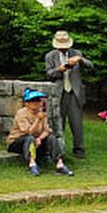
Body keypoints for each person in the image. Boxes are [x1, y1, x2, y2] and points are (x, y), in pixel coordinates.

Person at [7, 87, 71, 177]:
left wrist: (39, 138)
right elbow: (27, 132)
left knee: (51, 138)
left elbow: (47, 130)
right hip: (18, 142)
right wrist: (38, 119)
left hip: (36, 141)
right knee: (30, 138)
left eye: (38, 100)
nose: (36, 103)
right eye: (33, 100)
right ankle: (32, 164)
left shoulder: (41, 113)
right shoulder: (21, 113)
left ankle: (59, 164)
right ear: (27, 103)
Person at [43, 30, 86, 158]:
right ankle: (58, 150)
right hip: (59, 92)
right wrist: (61, 69)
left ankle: (79, 149)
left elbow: (90, 66)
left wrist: (81, 60)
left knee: (76, 123)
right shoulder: (50, 56)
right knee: (58, 122)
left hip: (74, 93)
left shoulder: (77, 53)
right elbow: (49, 74)